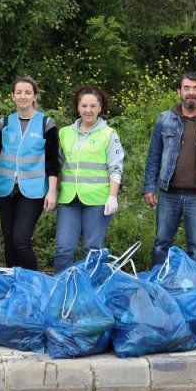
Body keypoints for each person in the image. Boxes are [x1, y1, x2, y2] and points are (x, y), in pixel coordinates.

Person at [141, 72, 196, 266]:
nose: (191, 93)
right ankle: (158, 285)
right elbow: (154, 155)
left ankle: (194, 289)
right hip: (168, 194)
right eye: (187, 88)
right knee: (161, 244)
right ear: (179, 92)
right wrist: (149, 187)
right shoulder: (164, 119)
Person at [0, 76, 59, 270]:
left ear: (35, 96)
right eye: (18, 92)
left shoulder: (47, 124)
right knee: (8, 239)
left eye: (27, 92)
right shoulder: (4, 123)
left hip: (33, 190)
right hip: (5, 188)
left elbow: (52, 163)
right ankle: (13, 282)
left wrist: (52, 192)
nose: (23, 96)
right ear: (12, 96)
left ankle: (34, 283)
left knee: (21, 240)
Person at [54, 85, 125, 272]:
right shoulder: (65, 133)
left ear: (100, 107)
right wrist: (53, 192)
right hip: (69, 199)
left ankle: (90, 291)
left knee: (92, 249)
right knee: (63, 248)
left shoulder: (109, 134)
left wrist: (112, 196)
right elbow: (58, 165)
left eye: (93, 106)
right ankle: (61, 287)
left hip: (97, 201)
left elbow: (116, 167)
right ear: (78, 107)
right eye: (84, 105)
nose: (88, 110)